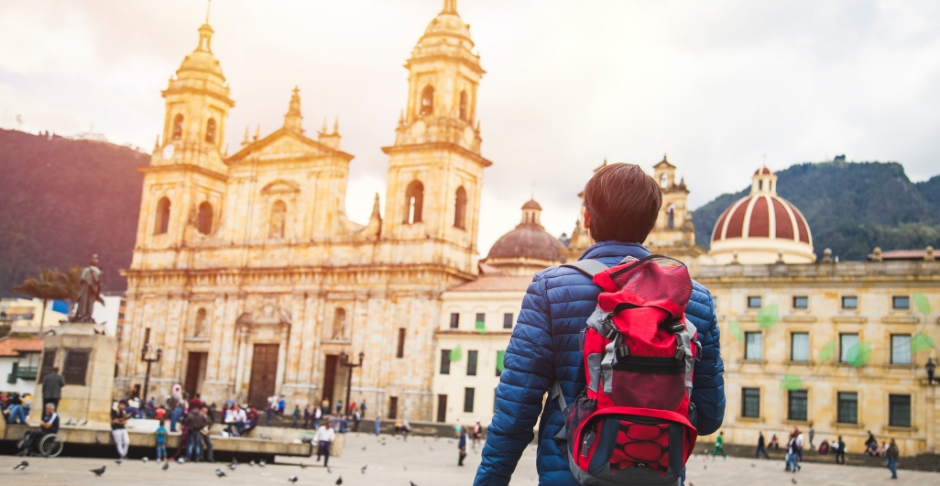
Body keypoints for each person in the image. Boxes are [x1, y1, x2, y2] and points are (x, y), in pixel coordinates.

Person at [475, 163, 725, 485]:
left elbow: (515, 413)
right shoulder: (695, 299)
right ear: (650, 224)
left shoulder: (549, 290)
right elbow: (708, 416)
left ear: (587, 218)